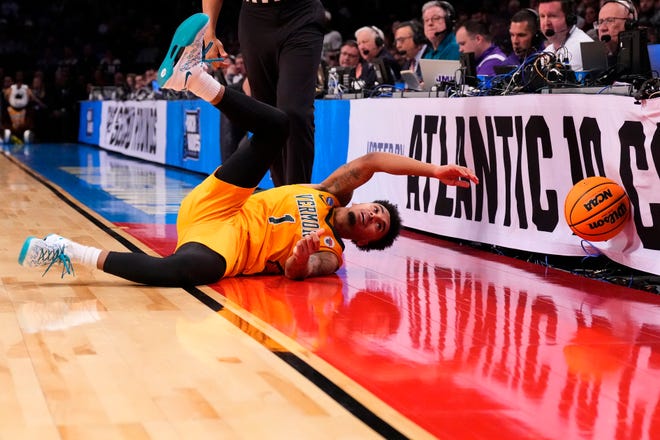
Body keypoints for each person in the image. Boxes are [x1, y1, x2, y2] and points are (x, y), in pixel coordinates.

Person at [19, 13, 479, 287]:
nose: (372, 218)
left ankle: (64, 249)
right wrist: (434, 169)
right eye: (377, 211)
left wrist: (298, 258)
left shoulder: (332, 252)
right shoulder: (328, 194)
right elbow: (372, 162)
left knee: (181, 273)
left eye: (375, 228)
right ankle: (194, 80)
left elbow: (304, 271)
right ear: (363, 202)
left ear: (363, 241)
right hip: (221, 202)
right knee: (279, 123)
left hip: (225, 244)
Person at [201, 0, 326, 187]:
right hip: (255, 19)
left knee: (295, 111)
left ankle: (298, 198)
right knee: (268, 119)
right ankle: (281, 194)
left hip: (301, 14)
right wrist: (209, 32)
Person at [538, 0, 594, 71]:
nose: (546, 23)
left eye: (552, 16)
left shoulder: (590, 46)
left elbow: (603, 81)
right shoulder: (546, 53)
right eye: (542, 16)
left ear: (569, 19)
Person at [596, 0, 638, 66]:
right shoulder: (598, 62)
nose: (602, 28)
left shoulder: (651, 57)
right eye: (600, 22)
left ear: (629, 25)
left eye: (610, 20)